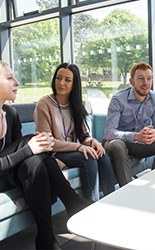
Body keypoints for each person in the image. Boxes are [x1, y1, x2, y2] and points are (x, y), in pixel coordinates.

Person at [0, 60, 89, 249]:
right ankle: (71, 203)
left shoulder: (10, 113)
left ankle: (45, 237)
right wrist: (30, 148)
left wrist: (35, 151)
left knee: (34, 161)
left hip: (0, 173)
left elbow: (25, 159)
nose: (17, 82)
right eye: (9, 78)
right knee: (30, 144)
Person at [34, 63, 115, 202]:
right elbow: (47, 143)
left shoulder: (76, 105)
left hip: (72, 151)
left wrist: (93, 142)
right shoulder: (44, 104)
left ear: (74, 84)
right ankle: (91, 206)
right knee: (87, 157)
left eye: (67, 80)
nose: (61, 83)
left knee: (101, 154)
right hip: (53, 153)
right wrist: (78, 147)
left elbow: (84, 136)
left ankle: (112, 201)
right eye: (58, 78)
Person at [104, 62, 155, 187]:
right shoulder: (118, 100)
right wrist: (136, 136)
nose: (145, 83)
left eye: (149, 79)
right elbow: (109, 132)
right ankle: (127, 190)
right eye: (141, 79)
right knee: (118, 145)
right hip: (117, 142)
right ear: (132, 81)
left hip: (139, 144)